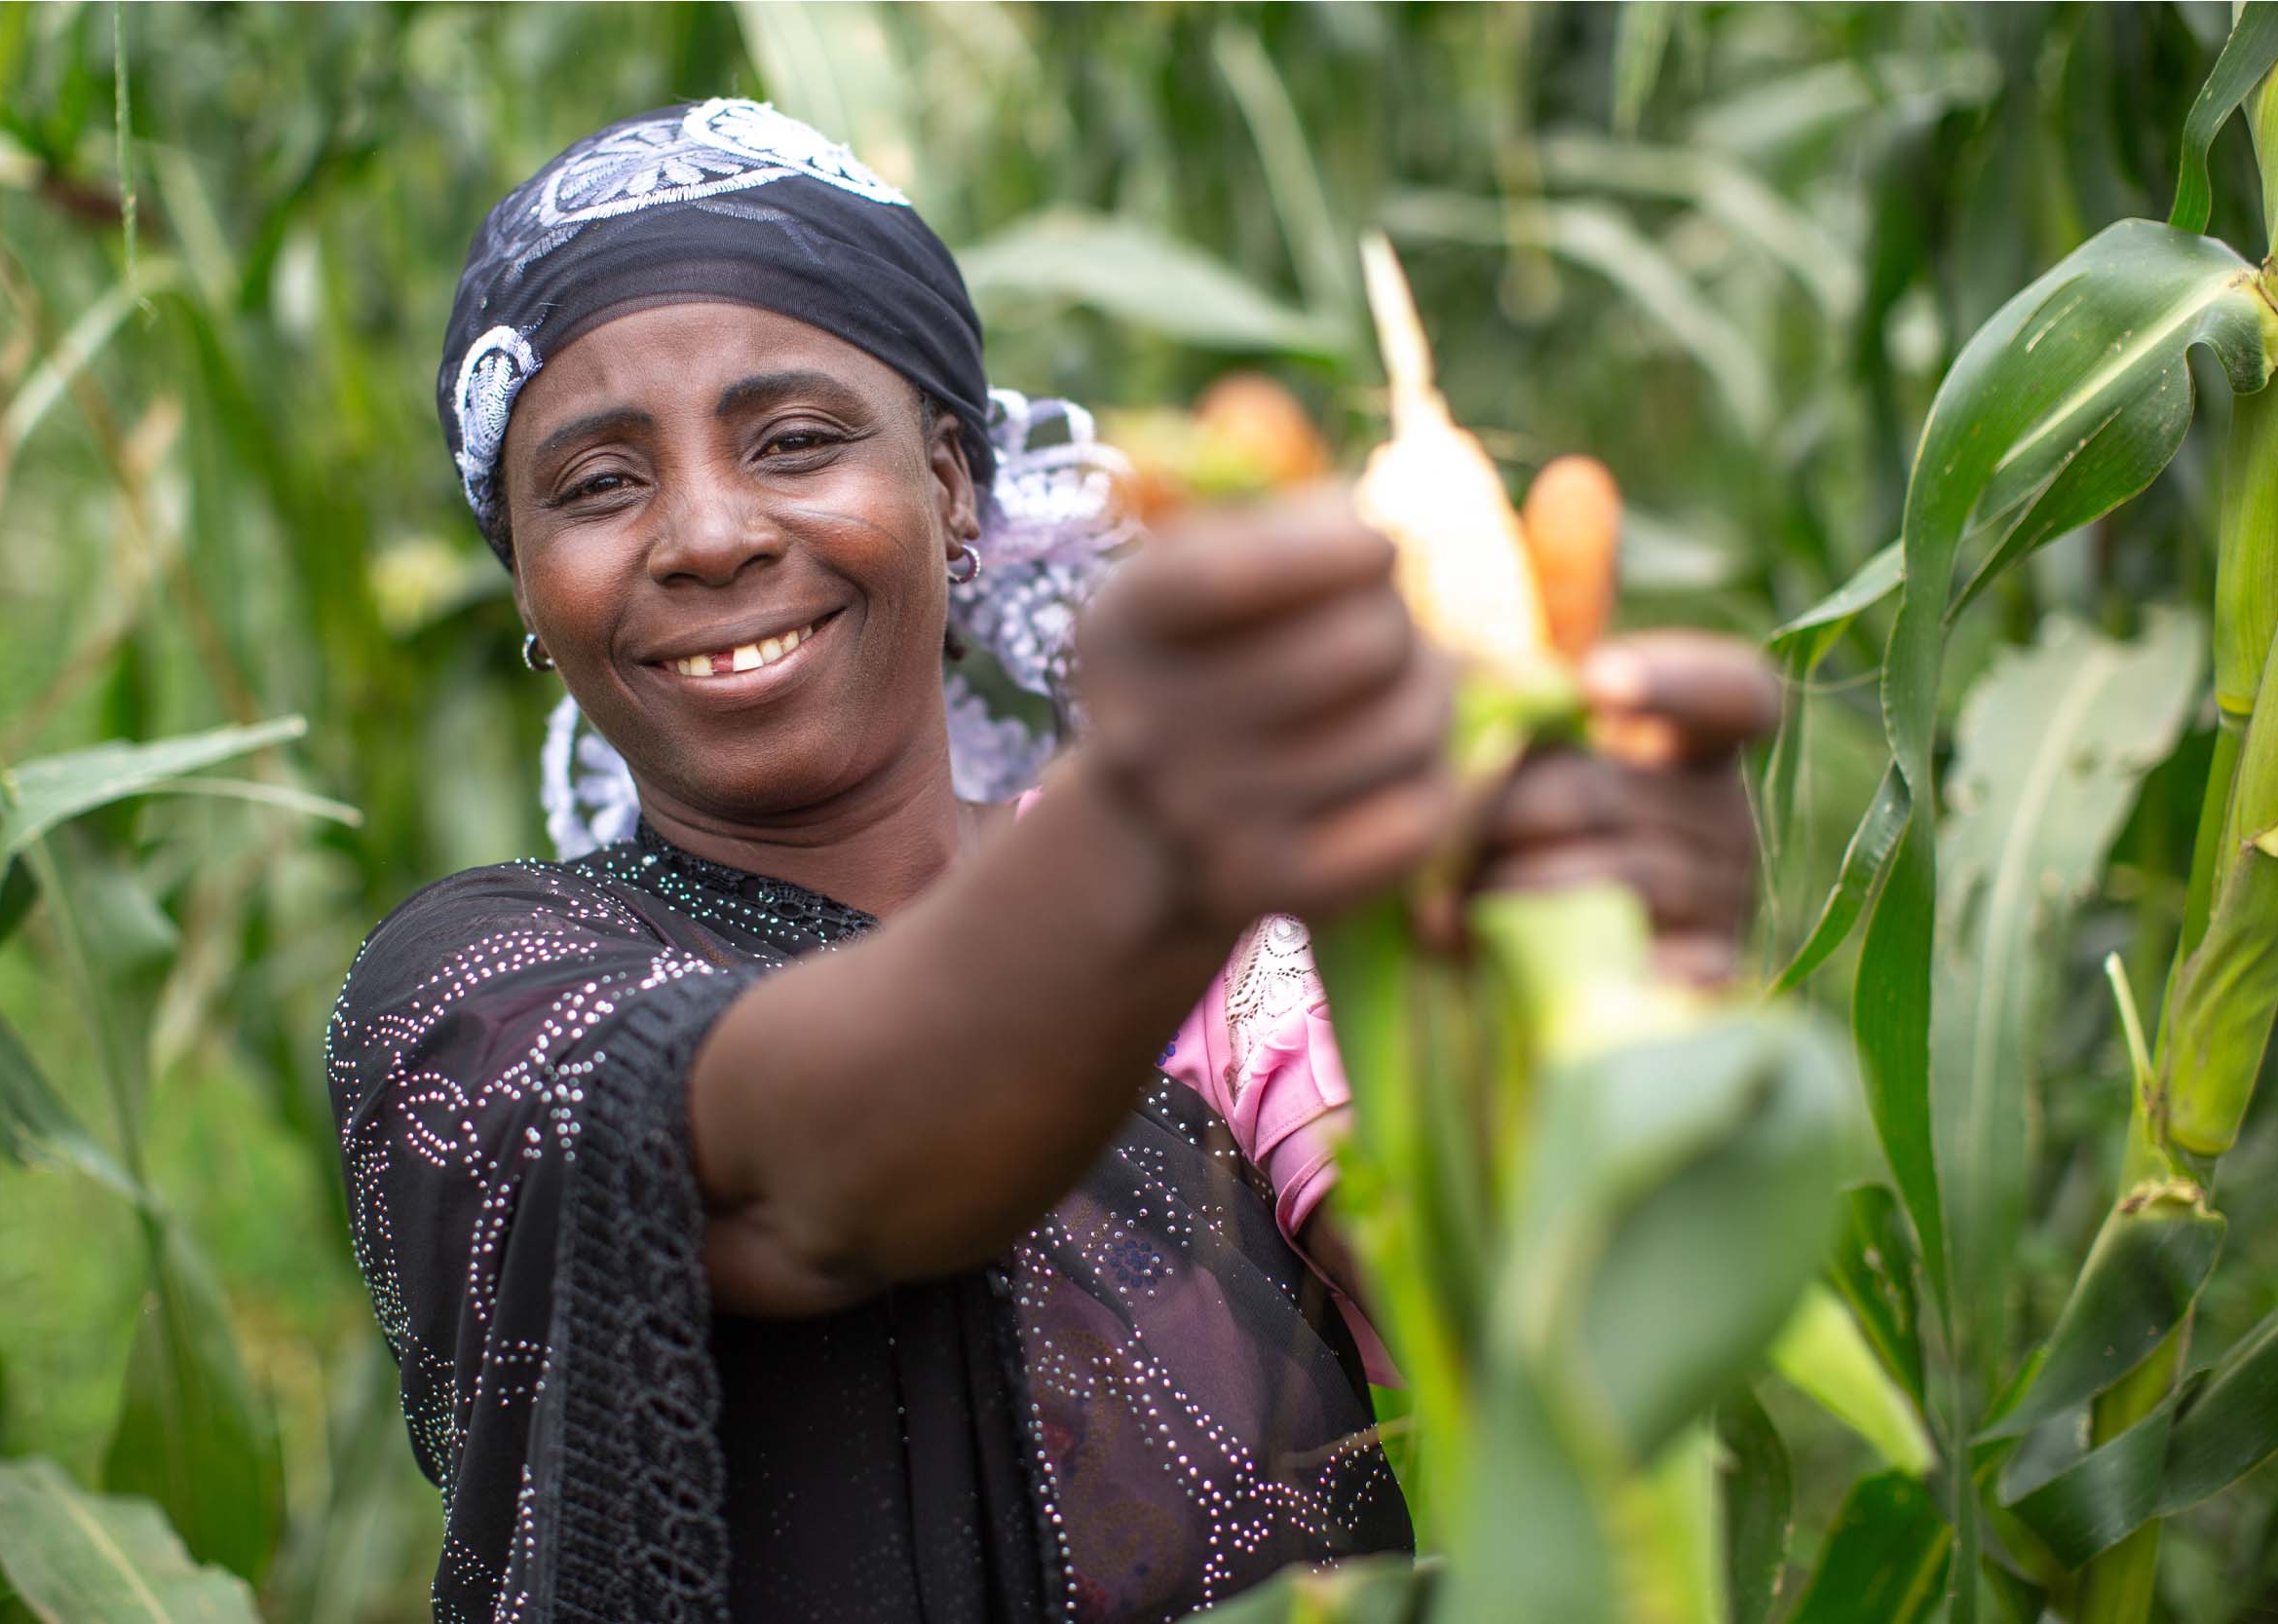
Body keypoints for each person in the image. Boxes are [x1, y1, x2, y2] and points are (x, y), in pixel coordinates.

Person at [327, 99, 1778, 1624]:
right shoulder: (476, 994)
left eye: (797, 442)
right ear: (530, 590)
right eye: (599, 484)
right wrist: (1166, 822)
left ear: (955, 484)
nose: (704, 533)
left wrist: (1605, 992)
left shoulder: (1248, 960)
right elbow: (810, 1178)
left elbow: (1560, 1344)